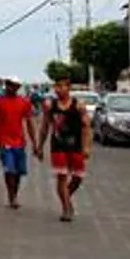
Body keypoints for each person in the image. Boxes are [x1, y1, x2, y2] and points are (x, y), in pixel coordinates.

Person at [35, 77, 90, 222]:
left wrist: (86, 146)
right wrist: (40, 146)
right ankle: (66, 208)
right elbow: (44, 127)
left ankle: (66, 197)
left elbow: (86, 127)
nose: (58, 89)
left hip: (75, 146)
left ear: (68, 88)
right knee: (62, 177)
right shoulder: (50, 106)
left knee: (78, 177)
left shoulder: (79, 105)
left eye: (61, 86)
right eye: (56, 86)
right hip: (58, 146)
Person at [0, 77, 35, 209]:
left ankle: (14, 193)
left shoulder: (24, 103)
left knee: (19, 171)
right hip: (4, 141)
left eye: (14, 86)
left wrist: (35, 143)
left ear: (18, 87)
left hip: (19, 141)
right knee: (10, 170)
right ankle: (11, 196)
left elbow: (30, 123)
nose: (11, 88)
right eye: (9, 85)